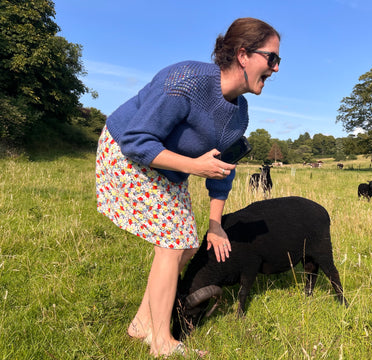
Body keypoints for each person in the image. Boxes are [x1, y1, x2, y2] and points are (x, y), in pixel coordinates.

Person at [95, 17, 281, 357]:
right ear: (243, 55)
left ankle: (141, 324)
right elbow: (137, 140)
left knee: (184, 245)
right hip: (126, 151)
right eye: (272, 58)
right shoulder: (187, 80)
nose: (276, 68)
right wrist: (194, 166)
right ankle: (162, 343)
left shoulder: (240, 115)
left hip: (169, 168)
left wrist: (215, 225)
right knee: (171, 243)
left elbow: (223, 172)